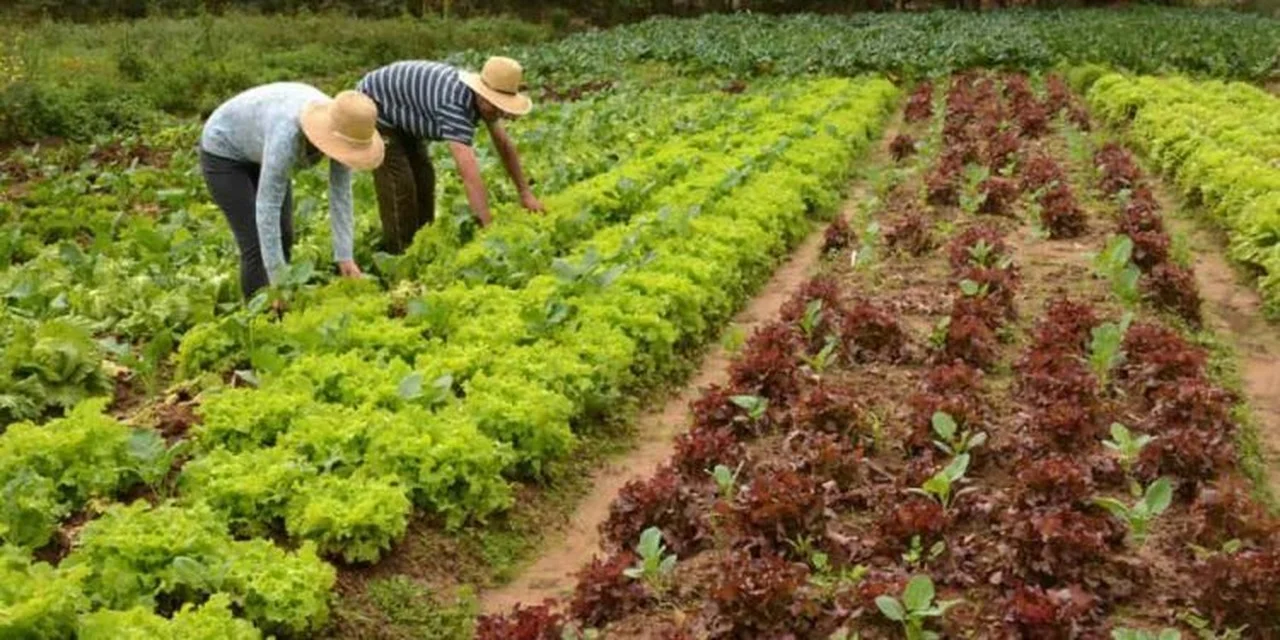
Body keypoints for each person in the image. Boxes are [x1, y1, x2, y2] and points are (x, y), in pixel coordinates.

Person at [199, 83, 385, 299]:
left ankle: (281, 301)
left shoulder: (347, 126)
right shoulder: (288, 134)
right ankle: (260, 311)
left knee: (284, 234)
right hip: (224, 149)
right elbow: (268, 206)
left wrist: (345, 256)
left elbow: (340, 193)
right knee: (256, 244)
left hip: (260, 143)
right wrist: (277, 282)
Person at [355, 56, 544, 253]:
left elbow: (504, 144)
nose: (498, 112)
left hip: (405, 112)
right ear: (481, 94)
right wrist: (487, 229)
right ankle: (401, 254)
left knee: (424, 177)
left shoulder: (486, 105)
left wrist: (525, 193)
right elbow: (469, 175)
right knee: (400, 184)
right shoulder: (454, 103)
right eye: (495, 105)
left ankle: (423, 243)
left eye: (501, 106)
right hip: (374, 105)